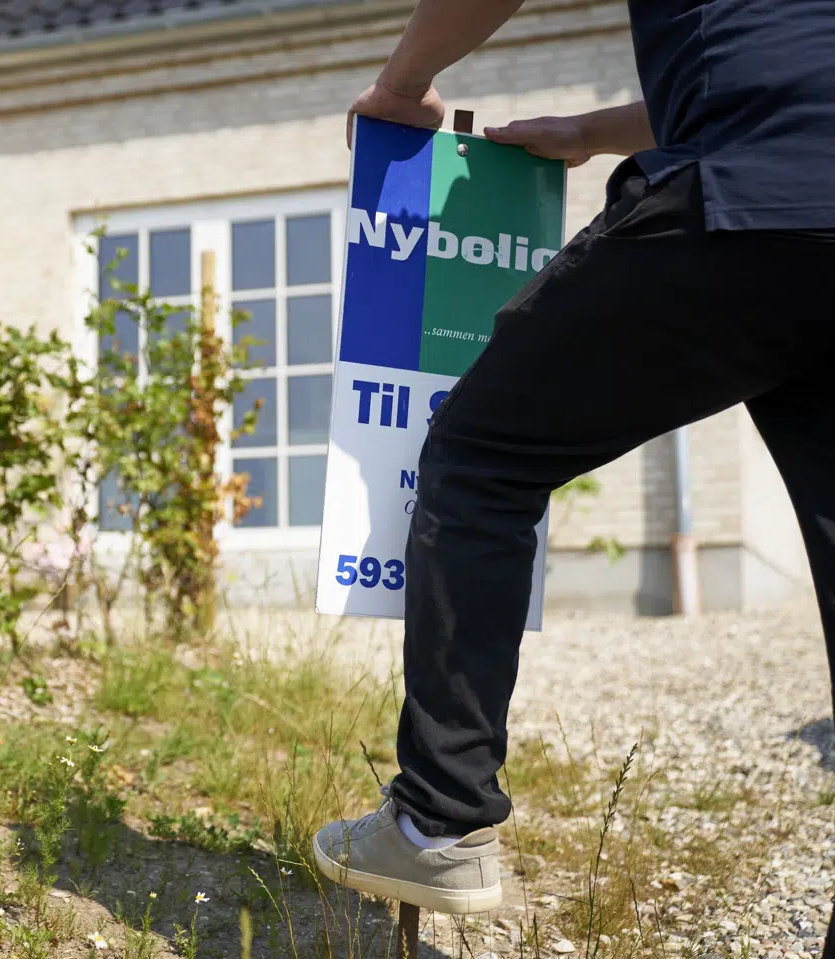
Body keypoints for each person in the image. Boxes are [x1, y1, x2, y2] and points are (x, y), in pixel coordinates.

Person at [313, 0, 835, 952]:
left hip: (749, 200)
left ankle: (437, 819)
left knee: (480, 454)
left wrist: (400, 86)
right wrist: (592, 132)